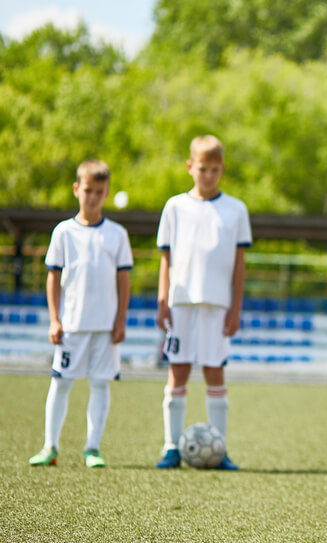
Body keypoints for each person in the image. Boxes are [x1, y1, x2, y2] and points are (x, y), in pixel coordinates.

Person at [154, 135, 251, 470]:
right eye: (201, 168)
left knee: (214, 372)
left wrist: (236, 306)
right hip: (181, 302)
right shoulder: (174, 207)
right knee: (177, 370)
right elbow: (165, 257)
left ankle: (220, 449)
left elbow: (239, 263)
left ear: (221, 169)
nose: (207, 175)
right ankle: (171, 447)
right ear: (189, 167)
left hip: (217, 305)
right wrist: (162, 298)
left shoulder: (236, 209)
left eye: (214, 169)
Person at [28, 160, 132, 468]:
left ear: (107, 193)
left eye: (100, 192)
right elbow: (53, 276)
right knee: (60, 383)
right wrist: (55, 318)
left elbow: (123, 279)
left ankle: (92, 448)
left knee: (100, 384)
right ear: (77, 189)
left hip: (105, 327)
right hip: (71, 325)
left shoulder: (117, 234)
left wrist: (121, 320)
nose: (93, 197)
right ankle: (50, 447)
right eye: (88, 190)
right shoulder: (64, 232)